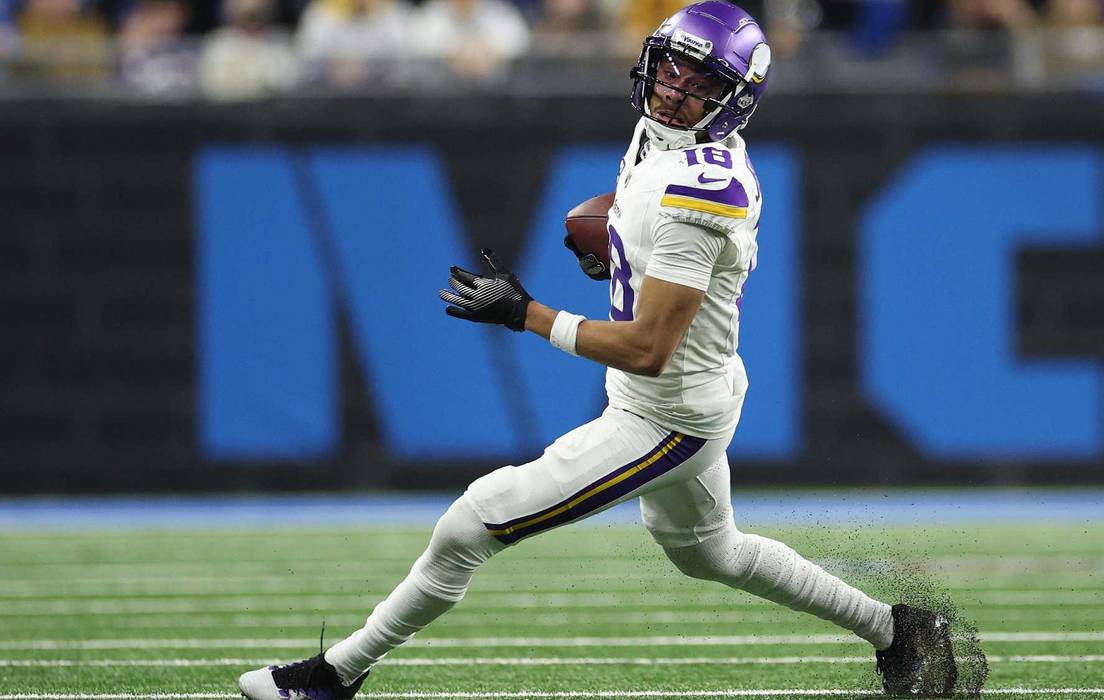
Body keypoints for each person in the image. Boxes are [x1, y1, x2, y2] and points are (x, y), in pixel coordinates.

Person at [237, 2, 962, 698]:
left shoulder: (700, 191)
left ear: (733, 99)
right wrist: (616, 252)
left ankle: (334, 677)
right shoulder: (661, 138)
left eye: (700, 81)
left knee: (471, 523)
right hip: (682, 392)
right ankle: (896, 631)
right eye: (671, 68)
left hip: (666, 414)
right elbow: (651, 240)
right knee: (714, 553)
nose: (675, 88)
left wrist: (527, 314)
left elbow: (646, 347)